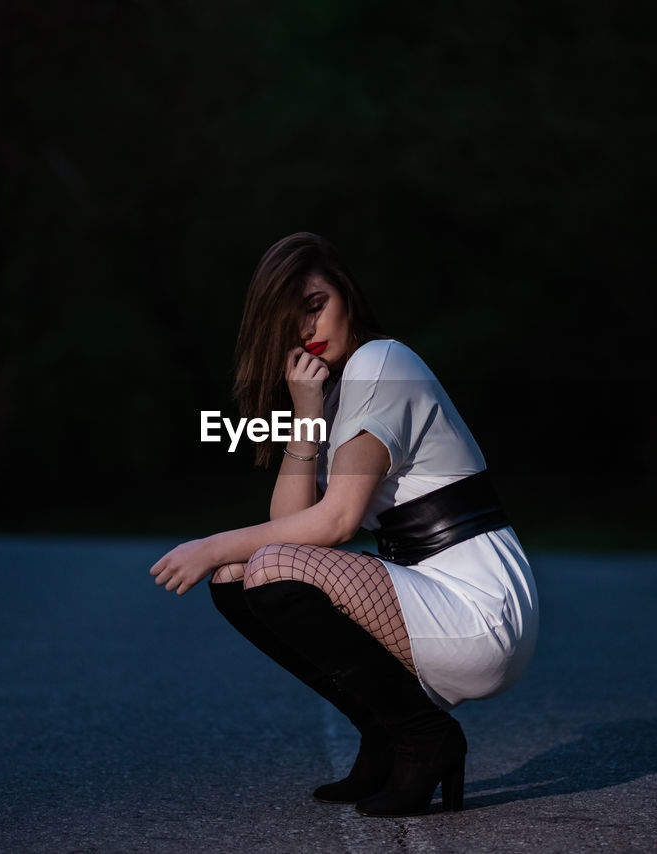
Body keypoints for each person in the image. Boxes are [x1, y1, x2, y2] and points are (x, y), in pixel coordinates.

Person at [150, 232, 539, 817]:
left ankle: (422, 736)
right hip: (428, 597)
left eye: (315, 306)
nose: (307, 331)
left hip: (480, 606)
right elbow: (289, 524)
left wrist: (209, 543)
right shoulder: (334, 396)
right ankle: (386, 733)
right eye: (290, 324)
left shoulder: (382, 363)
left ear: (347, 296)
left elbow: (333, 523)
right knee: (238, 578)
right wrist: (305, 414)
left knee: (255, 565)